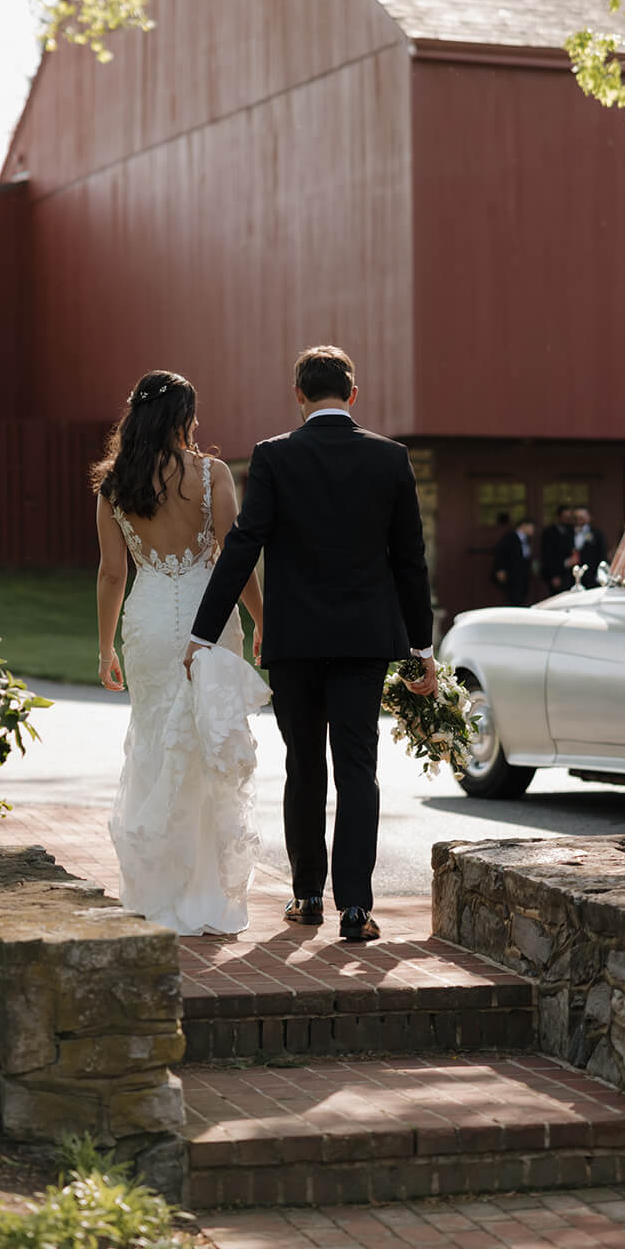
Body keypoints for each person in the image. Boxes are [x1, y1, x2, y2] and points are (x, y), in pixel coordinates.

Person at [184, 346, 435, 944]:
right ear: (353, 394)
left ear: (298, 396)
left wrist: (202, 632)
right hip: (364, 642)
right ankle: (355, 908)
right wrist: (421, 647)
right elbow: (410, 561)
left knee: (304, 768)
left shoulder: (274, 457)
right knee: (357, 769)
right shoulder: (390, 459)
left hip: (295, 642)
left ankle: (305, 896)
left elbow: (244, 545)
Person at [93, 370, 267, 936]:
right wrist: (263, 619)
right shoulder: (212, 473)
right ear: (183, 417)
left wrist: (104, 648)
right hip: (208, 620)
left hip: (145, 623)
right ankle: (204, 893)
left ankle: (156, 889)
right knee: (205, 747)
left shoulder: (115, 484)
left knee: (153, 744)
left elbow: (112, 574)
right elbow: (233, 558)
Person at [492, 515, 535, 606]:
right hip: (512, 573)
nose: (533, 530)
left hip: (523, 574)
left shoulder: (526, 539)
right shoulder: (510, 537)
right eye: (531, 527)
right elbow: (500, 553)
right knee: (513, 599)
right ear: (524, 525)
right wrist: (500, 569)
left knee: (522, 597)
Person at [568, 505, 608, 587]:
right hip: (570, 578)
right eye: (576, 518)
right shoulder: (567, 534)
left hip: (591, 577)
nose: (579, 520)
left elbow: (602, 555)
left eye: (582, 517)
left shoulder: (597, 534)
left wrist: (600, 575)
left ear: (589, 517)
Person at [541, 503, 575, 595]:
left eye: (569, 517)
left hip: (570, 574)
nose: (567, 520)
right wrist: (554, 575)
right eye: (565, 517)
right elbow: (547, 555)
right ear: (558, 517)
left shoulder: (571, 530)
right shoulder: (548, 533)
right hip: (555, 572)